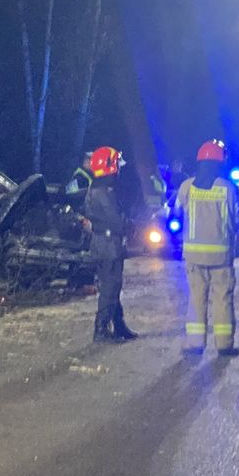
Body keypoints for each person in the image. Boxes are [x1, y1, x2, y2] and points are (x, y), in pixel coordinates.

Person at [174, 140, 239, 357]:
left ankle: (195, 343)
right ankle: (224, 344)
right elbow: (235, 220)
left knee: (196, 299)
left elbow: (176, 214)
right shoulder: (227, 188)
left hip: (193, 256)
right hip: (221, 256)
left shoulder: (186, 187)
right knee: (222, 300)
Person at [84, 146, 138, 342]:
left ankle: (119, 325)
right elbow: (115, 220)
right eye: (116, 164)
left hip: (102, 244)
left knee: (112, 286)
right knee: (110, 287)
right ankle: (101, 330)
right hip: (108, 246)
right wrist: (129, 225)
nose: (118, 168)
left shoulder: (96, 187)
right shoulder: (103, 191)